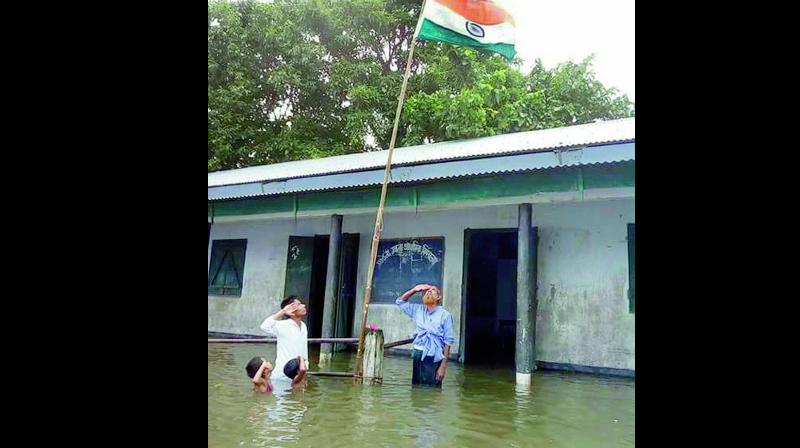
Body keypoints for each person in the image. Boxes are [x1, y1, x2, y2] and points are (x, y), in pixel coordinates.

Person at [396, 284, 455, 388]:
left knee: (431, 389)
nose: (428, 292)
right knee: (416, 387)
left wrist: (443, 366)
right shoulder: (418, 310)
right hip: (418, 353)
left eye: (433, 291)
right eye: (427, 291)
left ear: (439, 297)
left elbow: (448, 342)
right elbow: (400, 301)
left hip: (433, 356)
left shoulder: (445, 315)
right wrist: (414, 290)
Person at [259, 295, 311, 383]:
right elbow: (264, 326)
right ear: (291, 309)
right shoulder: (283, 325)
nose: (303, 306)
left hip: (299, 374)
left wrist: (305, 367)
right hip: (282, 375)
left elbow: (303, 351)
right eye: (299, 304)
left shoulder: (303, 326)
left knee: (298, 396)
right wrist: (283, 311)